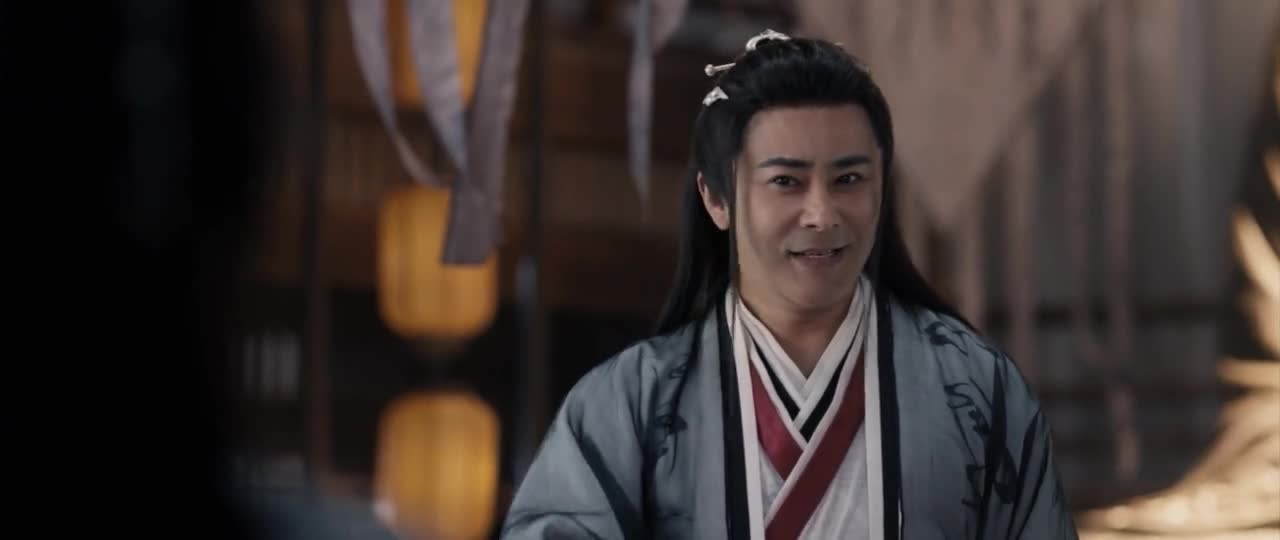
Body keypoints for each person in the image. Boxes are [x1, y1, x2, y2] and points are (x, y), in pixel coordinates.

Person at [502, 30, 1077, 539]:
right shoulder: (634, 402)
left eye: (849, 179)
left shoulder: (976, 388)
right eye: (786, 181)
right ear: (716, 197)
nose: (821, 214)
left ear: (882, 188)